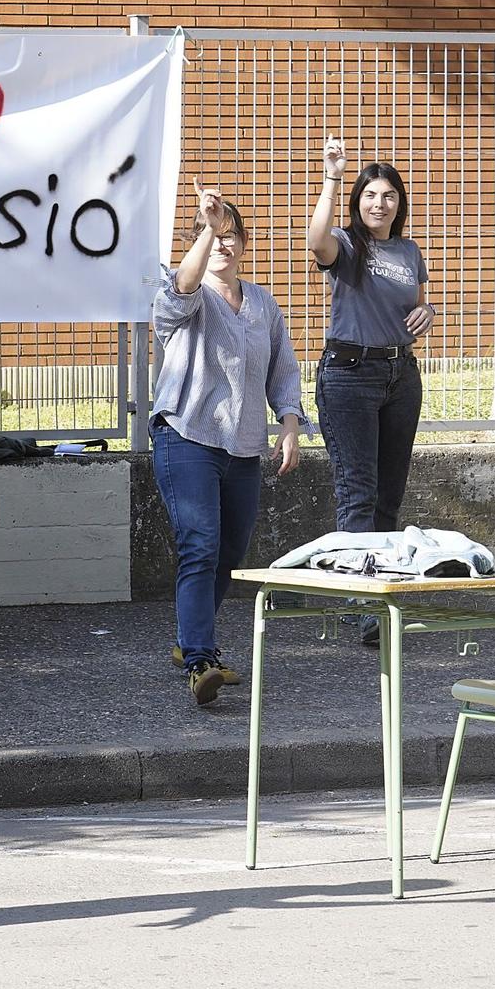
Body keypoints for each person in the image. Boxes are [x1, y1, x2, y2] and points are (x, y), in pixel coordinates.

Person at [152, 189, 304, 704]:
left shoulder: (263, 303)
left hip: (242, 445)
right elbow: (182, 288)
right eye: (214, 234)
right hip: (186, 434)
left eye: (230, 233)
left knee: (230, 552)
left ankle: (188, 642)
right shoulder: (185, 293)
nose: (223, 241)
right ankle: (199, 659)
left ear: (243, 243)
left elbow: (283, 368)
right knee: (200, 543)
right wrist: (206, 227)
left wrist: (288, 423)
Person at [308, 137, 432, 647]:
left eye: (389, 196)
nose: (380, 204)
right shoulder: (346, 242)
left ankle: (380, 599)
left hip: (400, 376)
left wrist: (430, 314)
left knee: (389, 495)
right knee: (357, 492)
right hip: (349, 374)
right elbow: (315, 241)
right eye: (371, 195)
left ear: (398, 204)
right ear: (358, 201)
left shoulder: (408, 251)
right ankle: (360, 605)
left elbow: (417, 305)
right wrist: (332, 176)